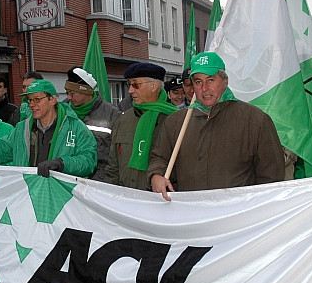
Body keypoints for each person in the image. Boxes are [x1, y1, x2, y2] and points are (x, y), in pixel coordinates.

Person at [148, 51, 285, 200]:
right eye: (198, 82)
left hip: (236, 217)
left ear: (225, 82)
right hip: (190, 216)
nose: (204, 88)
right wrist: (156, 175)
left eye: (211, 80)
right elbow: (159, 158)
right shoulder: (175, 123)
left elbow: (272, 179)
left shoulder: (255, 121)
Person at [0, 79, 97, 179]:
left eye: (37, 99)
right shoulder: (22, 128)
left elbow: (89, 161)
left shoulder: (76, 128)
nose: (31, 104)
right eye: (29, 100)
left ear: (52, 100)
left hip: (62, 199)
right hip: (29, 196)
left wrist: (62, 163)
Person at [104, 62, 178, 190]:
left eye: (136, 84)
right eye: (129, 84)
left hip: (159, 200)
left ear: (154, 86)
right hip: (126, 199)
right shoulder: (124, 119)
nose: (130, 90)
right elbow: (113, 166)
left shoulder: (175, 120)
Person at [65, 66, 121, 181]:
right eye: (67, 93)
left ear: (86, 91)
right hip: (67, 179)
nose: (68, 97)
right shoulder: (63, 112)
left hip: (99, 182)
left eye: (72, 93)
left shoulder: (113, 115)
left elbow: (116, 157)